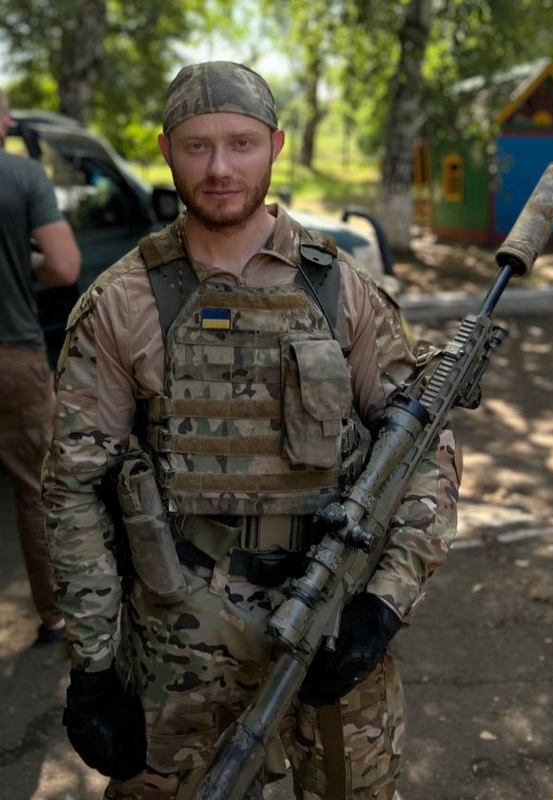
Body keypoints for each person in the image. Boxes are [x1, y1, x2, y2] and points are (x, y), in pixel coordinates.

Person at [42, 62, 461, 800]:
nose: (219, 169)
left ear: (274, 145)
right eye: (197, 146)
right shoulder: (123, 300)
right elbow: (74, 487)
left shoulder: (341, 287)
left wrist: (382, 604)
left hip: (332, 610)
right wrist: (95, 666)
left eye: (240, 143)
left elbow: (424, 452)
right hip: (179, 633)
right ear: (167, 151)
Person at [0, 89, 81, 645]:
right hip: (13, 355)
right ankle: (54, 616)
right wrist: (25, 259)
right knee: (35, 487)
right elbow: (64, 267)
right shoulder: (23, 176)